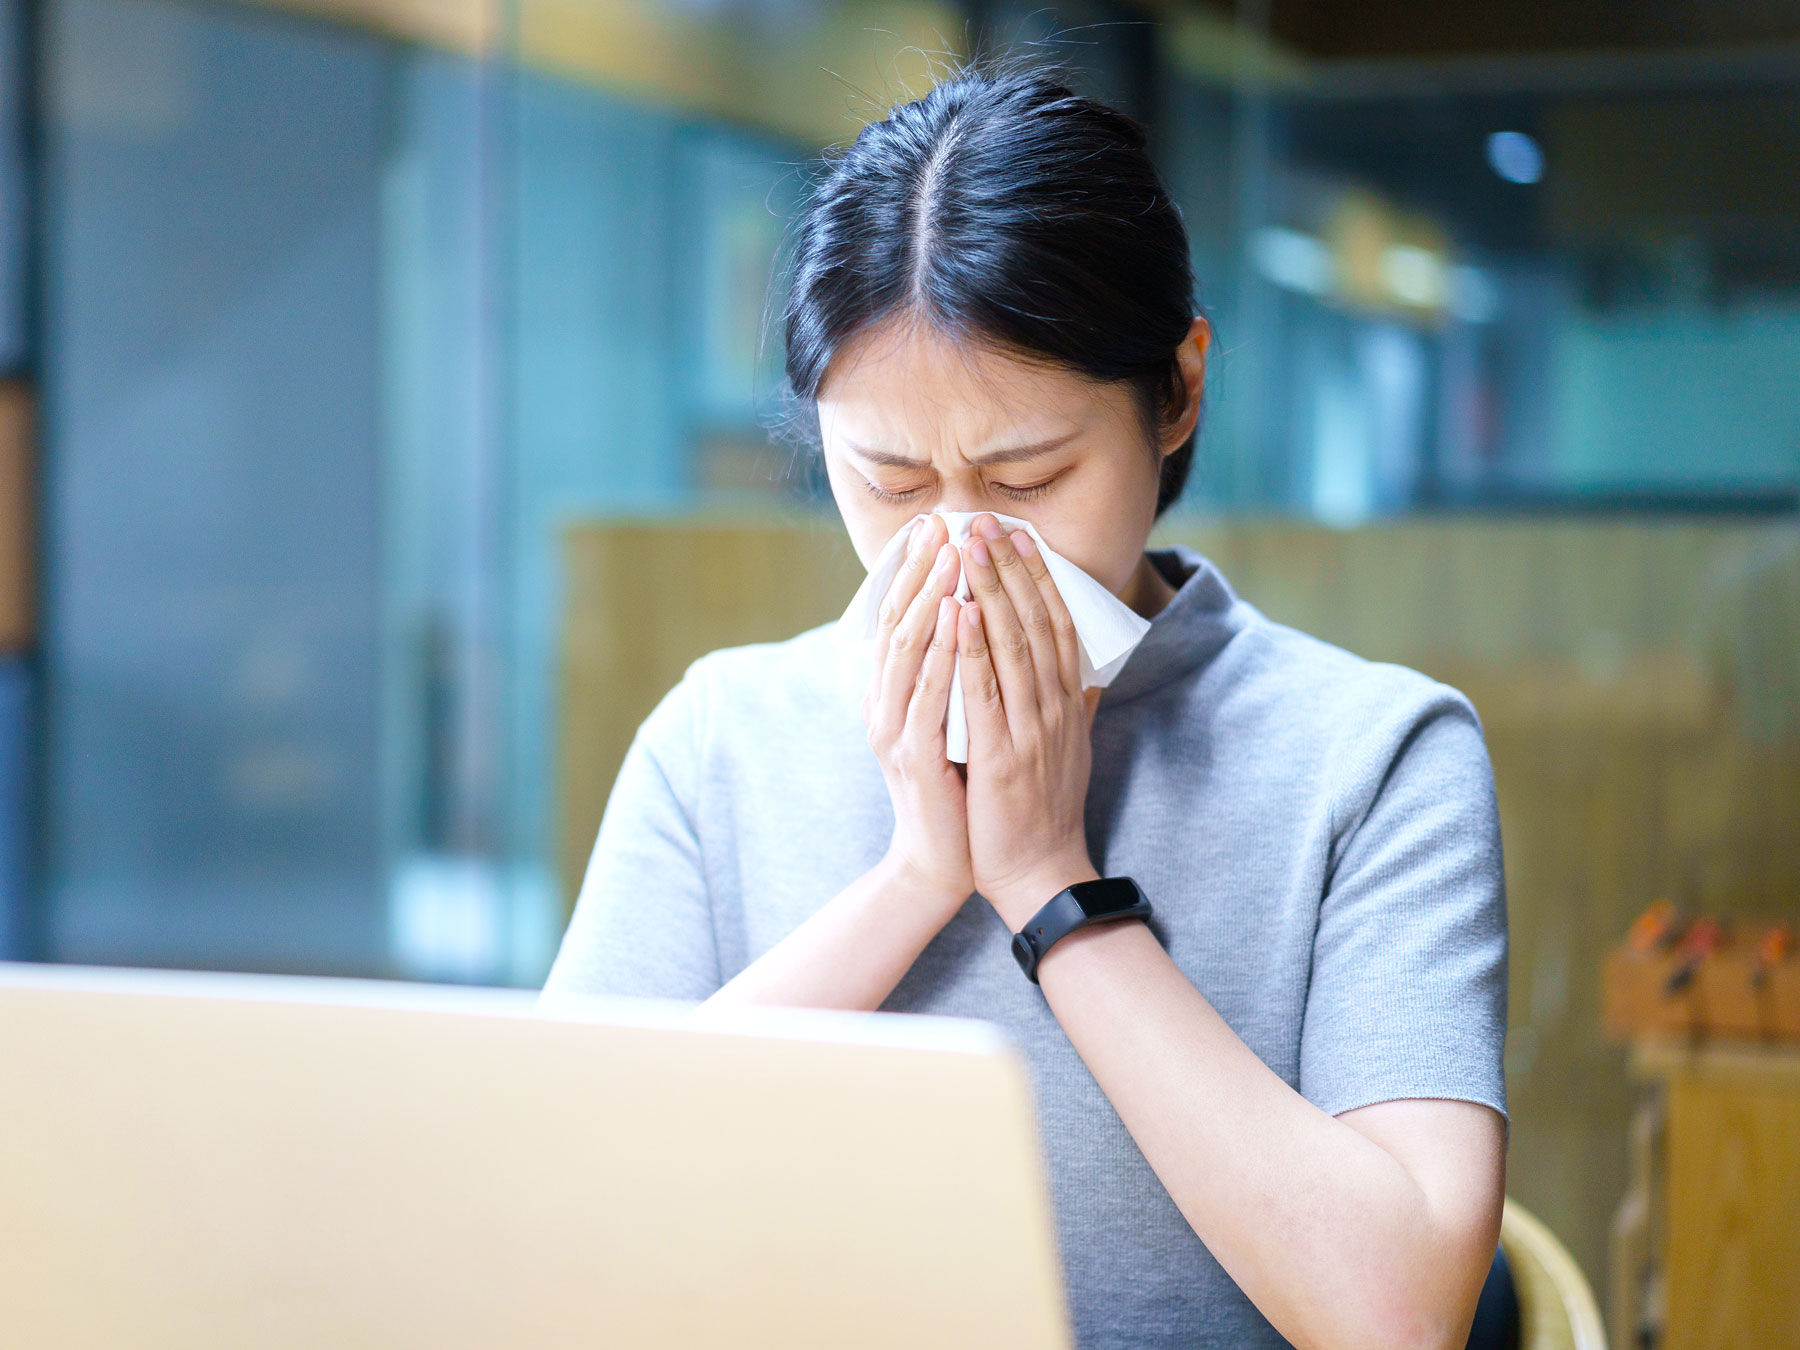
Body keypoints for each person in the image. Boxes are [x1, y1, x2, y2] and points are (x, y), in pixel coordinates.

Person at [545, 62, 1507, 1350]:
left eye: (1028, 477)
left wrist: (1053, 883)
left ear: (1176, 394)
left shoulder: (1376, 758)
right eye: (888, 483)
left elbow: (1397, 1314)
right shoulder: (718, 739)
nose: (960, 549)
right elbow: (557, 1218)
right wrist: (914, 875)